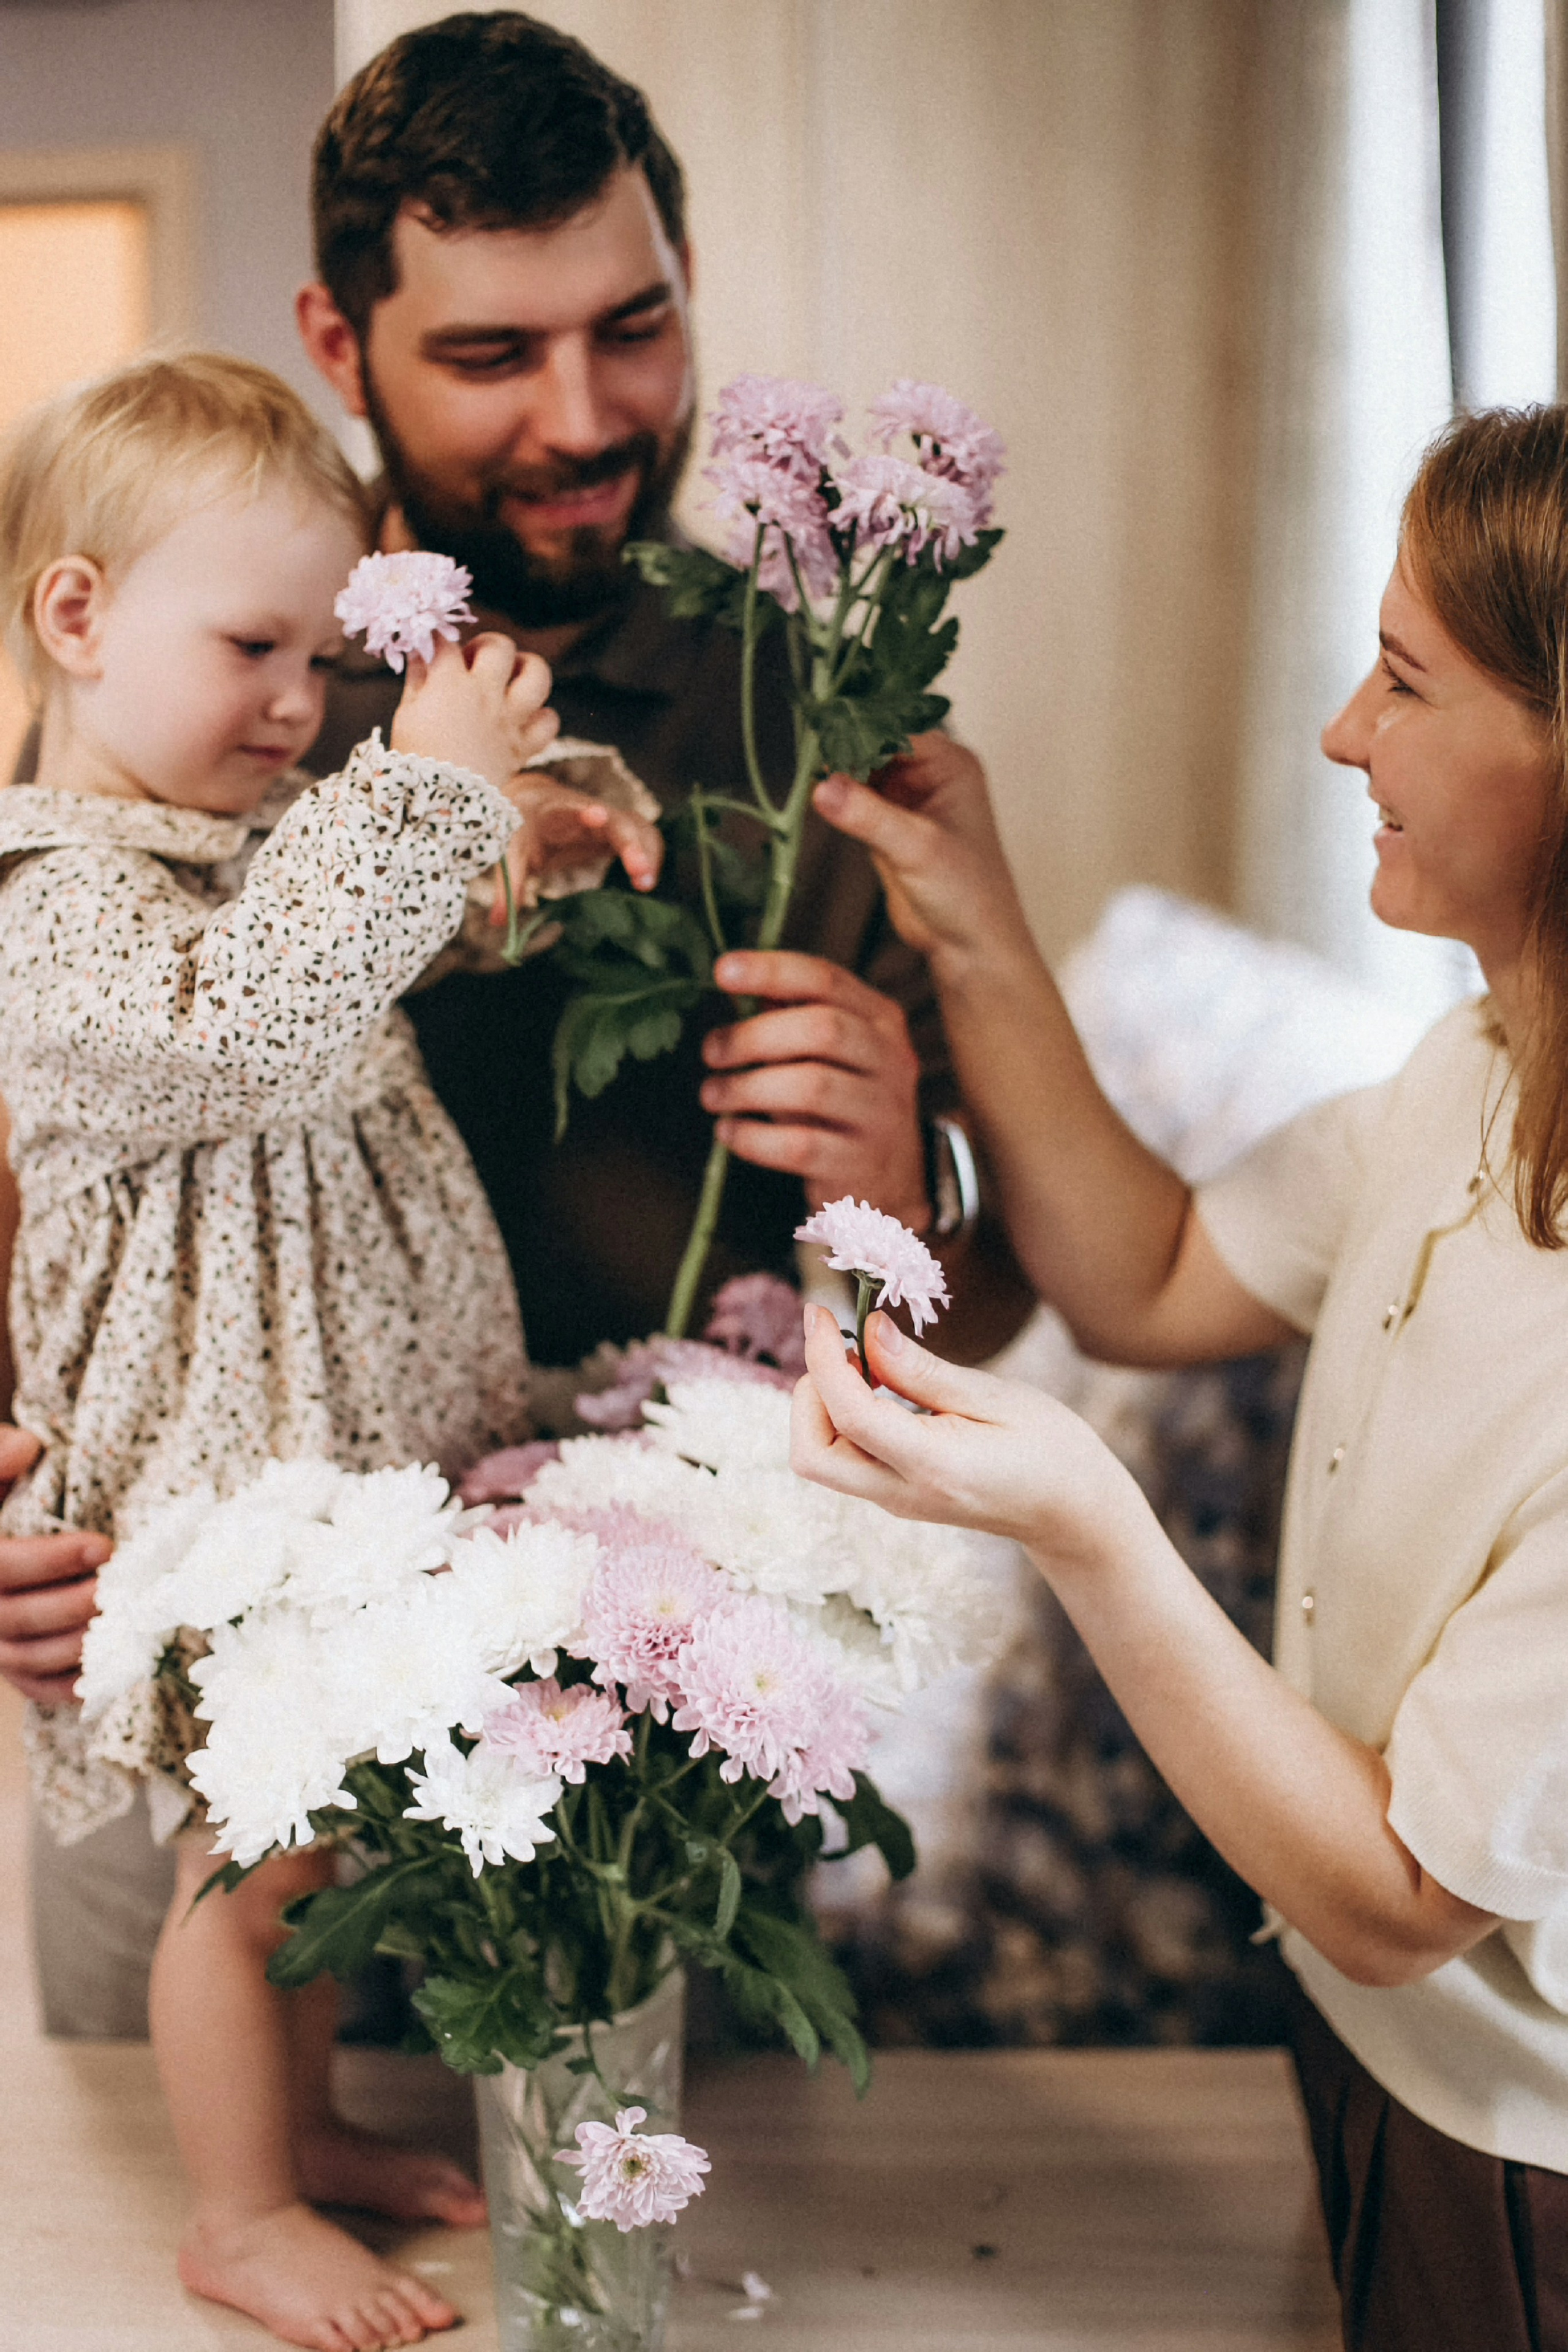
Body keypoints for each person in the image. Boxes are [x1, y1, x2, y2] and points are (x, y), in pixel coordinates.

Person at [0, 7, 1033, 2036]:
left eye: (630, 327)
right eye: (489, 353)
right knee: (205, 2164)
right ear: (340, 336)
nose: (580, 414)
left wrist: (904, 1187)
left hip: (644, 1719)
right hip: (210, 1651)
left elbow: (978, 1316)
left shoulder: (812, 708)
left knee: (637, 2218)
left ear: (687, 280)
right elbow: (63, 1098)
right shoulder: (214, 680)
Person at [793, 404, 1568, 2350]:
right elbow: (1147, 1267)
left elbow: (1403, 1894)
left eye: (1406, 681)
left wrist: (1085, 1521)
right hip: (1369, 2056)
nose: (1343, 734)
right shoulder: (1469, 1077)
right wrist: (972, 912)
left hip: (1526, 2148)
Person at [0, 349, 662, 2351]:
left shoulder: (245, 839)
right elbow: (249, 1024)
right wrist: (425, 790)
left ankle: (301, 2128)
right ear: (77, 617)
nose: (303, 704)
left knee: (331, 1812)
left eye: (322, 655)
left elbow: (371, 931)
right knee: (257, 1842)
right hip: (212, 1469)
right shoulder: (45, 901)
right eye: (253, 648)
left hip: (328, 1442)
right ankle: (241, 2211)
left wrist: (522, 837)